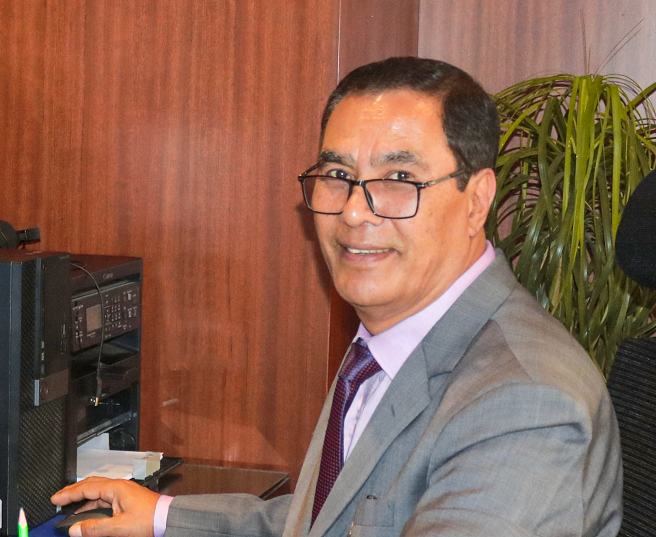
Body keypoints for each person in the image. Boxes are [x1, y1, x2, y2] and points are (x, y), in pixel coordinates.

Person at [52, 57, 622, 537]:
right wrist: (162, 516)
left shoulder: (523, 402)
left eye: (399, 179)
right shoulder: (390, 340)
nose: (353, 212)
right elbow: (339, 520)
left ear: (476, 201)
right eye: (337, 176)